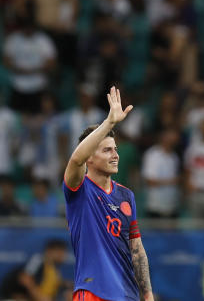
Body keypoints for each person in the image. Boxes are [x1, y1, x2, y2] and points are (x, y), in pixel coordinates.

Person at [62, 86, 154, 301]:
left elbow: (136, 248)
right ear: (90, 159)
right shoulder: (78, 188)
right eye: (107, 150)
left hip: (126, 295)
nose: (115, 155)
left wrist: (148, 295)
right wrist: (110, 122)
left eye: (115, 149)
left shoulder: (126, 196)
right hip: (93, 292)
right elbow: (76, 160)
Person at [0, 239, 69, 301]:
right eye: (60, 252)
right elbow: (24, 278)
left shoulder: (54, 269)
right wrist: (41, 297)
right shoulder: (38, 259)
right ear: (49, 251)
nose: (63, 256)